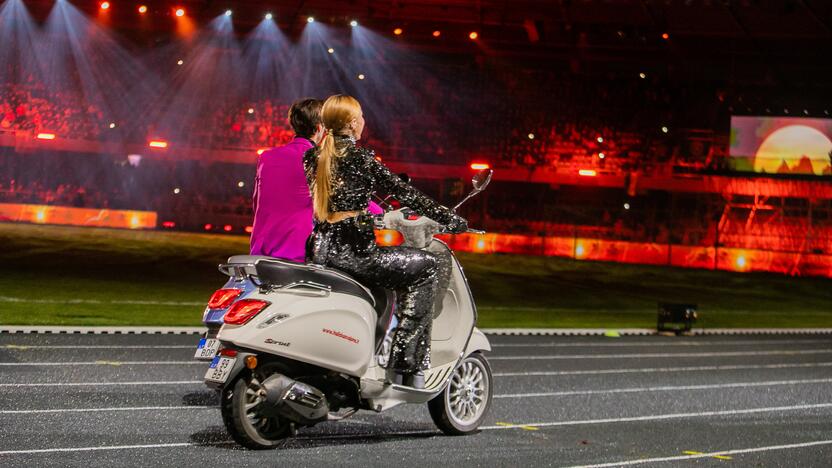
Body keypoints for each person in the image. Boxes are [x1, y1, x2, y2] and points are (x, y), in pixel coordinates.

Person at [303, 95, 467, 388]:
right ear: (353, 123)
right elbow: (405, 193)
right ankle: (405, 363)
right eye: (362, 116)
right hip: (354, 254)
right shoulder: (361, 157)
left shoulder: (312, 157)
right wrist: (449, 219)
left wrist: (372, 217)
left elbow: (340, 204)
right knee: (426, 266)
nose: (364, 121)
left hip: (319, 250)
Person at [250, 98, 382, 262]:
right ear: (321, 128)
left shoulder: (266, 157)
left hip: (261, 251)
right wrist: (385, 215)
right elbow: (352, 199)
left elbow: (257, 201)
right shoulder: (321, 160)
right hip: (299, 253)